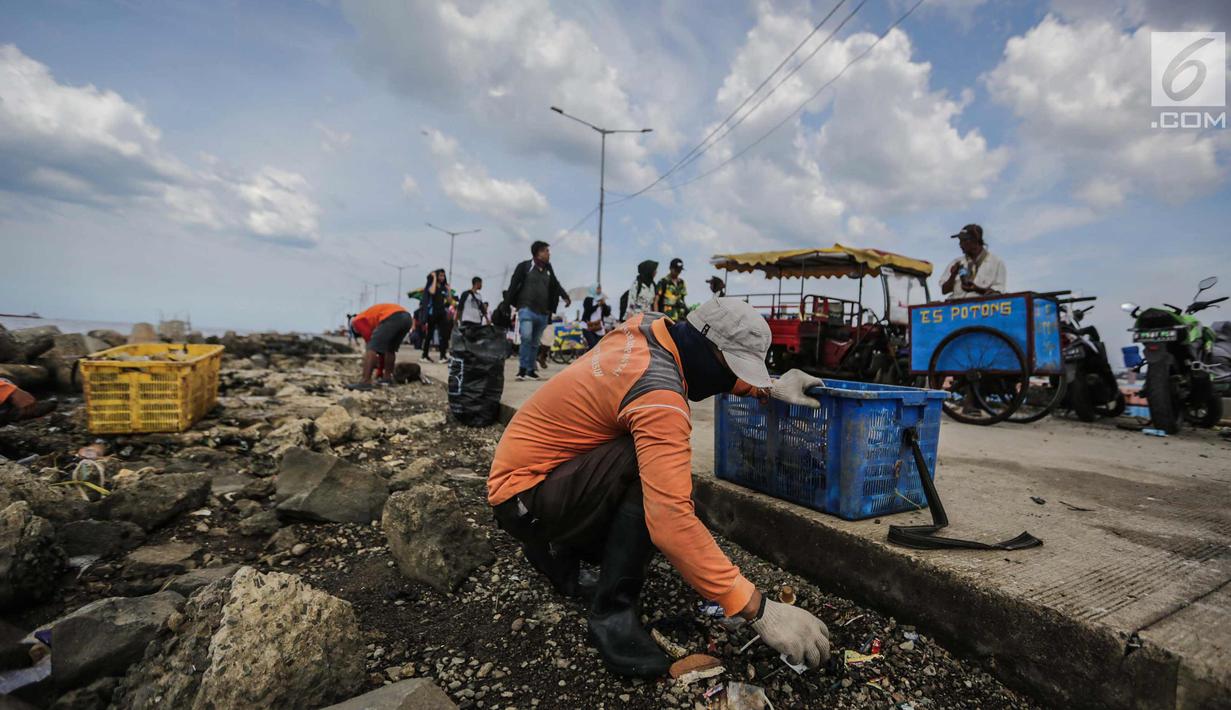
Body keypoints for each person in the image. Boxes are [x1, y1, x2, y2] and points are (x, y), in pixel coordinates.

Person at [488, 298, 832, 678]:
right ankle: (611, 615)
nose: (726, 381)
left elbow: (711, 365)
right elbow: (669, 522)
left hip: (531, 479)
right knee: (653, 483)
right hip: (525, 499)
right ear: (705, 349)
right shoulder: (660, 398)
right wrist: (758, 608)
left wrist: (766, 386)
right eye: (730, 368)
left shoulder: (647, 327)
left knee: (643, 465)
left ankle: (556, 556)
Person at [505, 241, 571, 381]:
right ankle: (522, 370)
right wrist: (506, 305)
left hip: (542, 312)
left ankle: (530, 370)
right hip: (526, 308)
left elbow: (555, 284)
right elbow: (513, 284)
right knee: (526, 338)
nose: (548, 253)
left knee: (535, 342)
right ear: (538, 253)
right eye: (546, 251)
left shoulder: (548, 269)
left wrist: (565, 296)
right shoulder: (525, 267)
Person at [346, 303, 413, 389]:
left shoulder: (357, 321)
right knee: (390, 349)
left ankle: (365, 382)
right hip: (407, 318)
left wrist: (379, 370)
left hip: (392, 317)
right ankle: (387, 378)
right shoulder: (370, 318)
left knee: (371, 348)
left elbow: (373, 346)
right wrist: (380, 370)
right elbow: (381, 350)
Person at [941, 224, 1006, 300]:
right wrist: (953, 275)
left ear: (976, 241)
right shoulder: (956, 262)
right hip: (957, 309)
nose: (960, 244)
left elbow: (997, 294)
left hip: (980, 309)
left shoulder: (996, 263)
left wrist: (976, 289)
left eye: (964, 240)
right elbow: (944, 290)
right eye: (960, 241)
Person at [420, 269, 453, 362]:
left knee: (444, 335)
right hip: (432, 313)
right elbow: (432, 292)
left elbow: (450, 301)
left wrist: (449, 290)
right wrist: (434, 277)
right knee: (429, 335)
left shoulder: (444, 287)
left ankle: (443, 356)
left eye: (443, 276)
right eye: (440, 276)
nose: (442, 278)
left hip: (442, 313)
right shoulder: (431, 285)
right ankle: (424, 355)